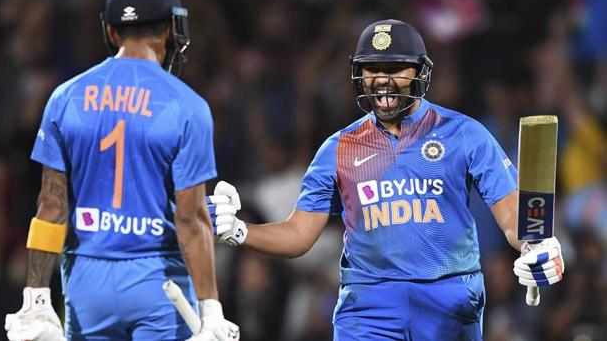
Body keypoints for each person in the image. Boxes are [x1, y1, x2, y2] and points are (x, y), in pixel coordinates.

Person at [206, 19, 565, 340]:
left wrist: (539, 244)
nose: (381, 80)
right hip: (369, 307)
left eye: (395, 68)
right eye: (371, 69)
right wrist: (239, 230)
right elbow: (299, 234)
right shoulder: (338, 148)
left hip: (450, 300)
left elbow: (512, 217)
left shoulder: (464, 134)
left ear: (420, 72)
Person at [4, 0, 239, 340]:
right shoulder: (188, 106)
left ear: (111, 31)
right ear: (171, 30)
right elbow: (190, 218)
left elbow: (51, 205)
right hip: (157, 281)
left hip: (87, 281)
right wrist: (212, 309)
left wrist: (36, 296)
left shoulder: (65, 97)